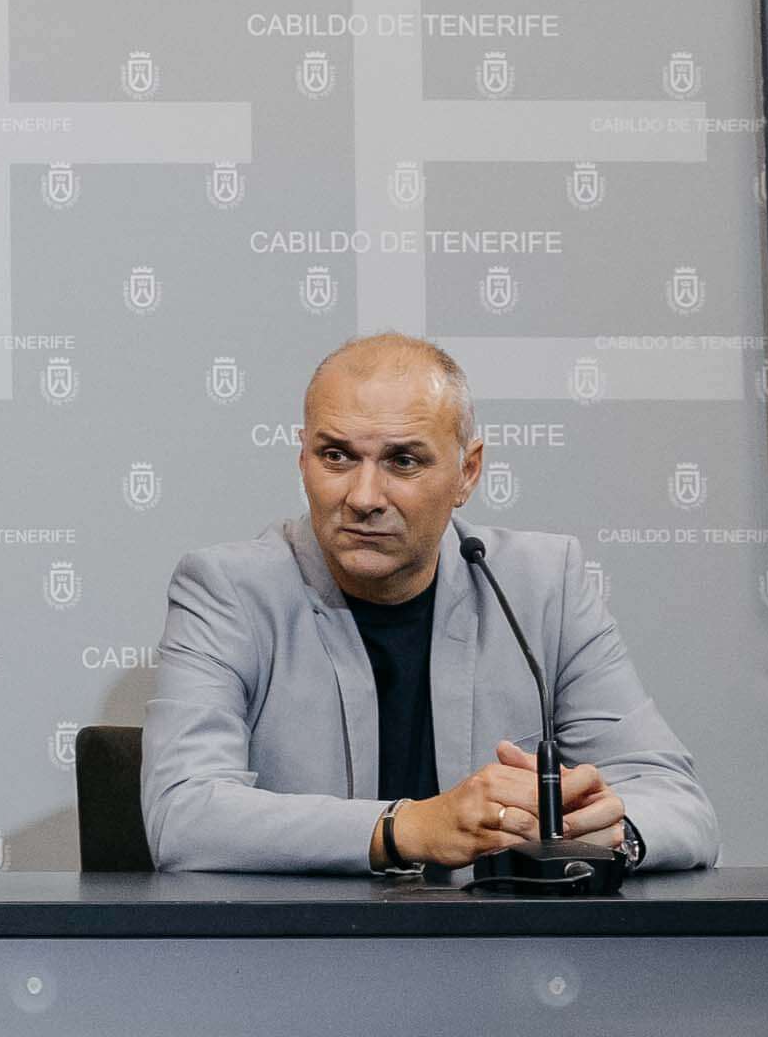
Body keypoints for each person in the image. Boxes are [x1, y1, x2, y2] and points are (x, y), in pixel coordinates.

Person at [141, 331, 715, 878]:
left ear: (468, 472)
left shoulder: (543, 585)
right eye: (337, 456)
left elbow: (678, 803)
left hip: (500, 941)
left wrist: (612, 833)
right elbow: (183, 815)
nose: (364, 497)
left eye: (404, 461)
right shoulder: (227, 589)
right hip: (307, 939)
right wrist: (409, 827)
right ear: (302, 460)